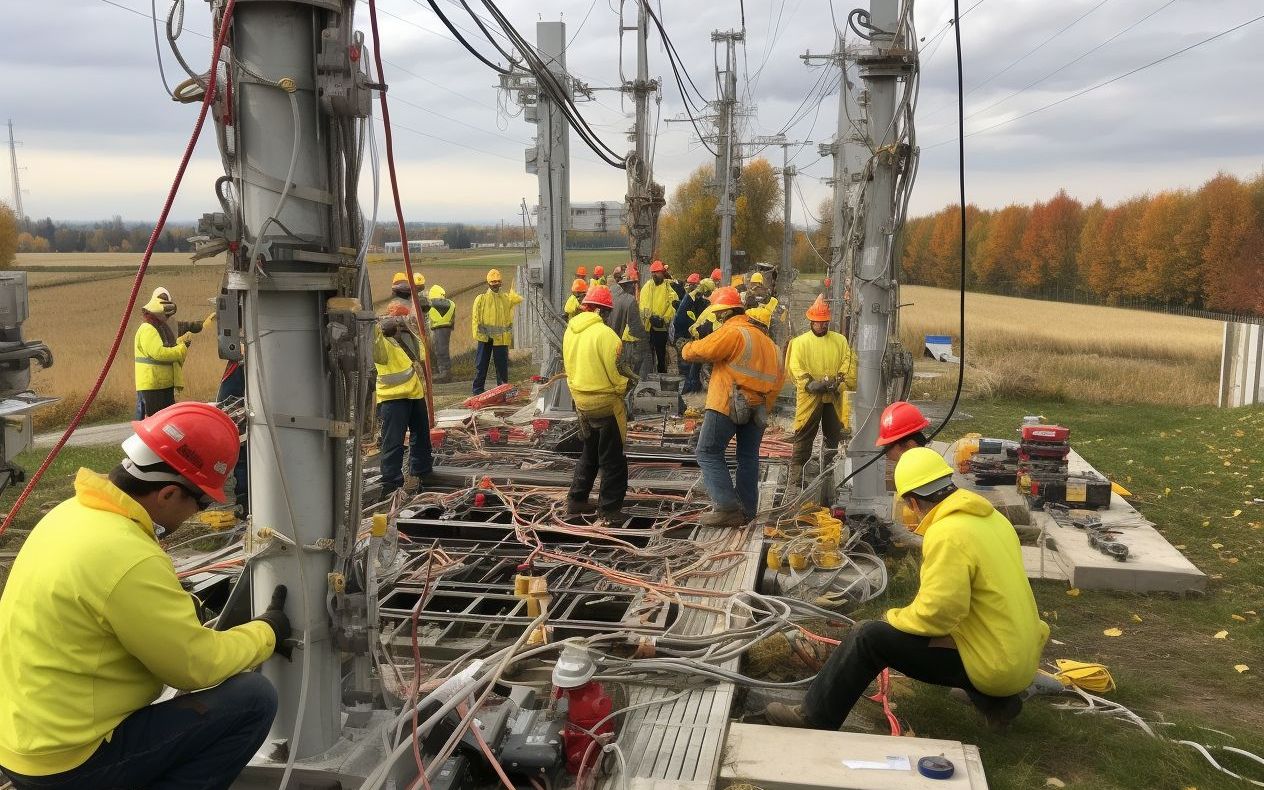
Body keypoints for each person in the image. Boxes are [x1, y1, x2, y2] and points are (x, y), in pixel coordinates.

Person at [0, 403, 289, 789]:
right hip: (69, 763)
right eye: (201, 502)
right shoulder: (130, 558)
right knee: (253, 699)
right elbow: (195, 667)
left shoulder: (70, 513)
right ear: (169, 493)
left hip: (20, 743)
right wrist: (266, 632)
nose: (197, 513)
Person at [765, 448, 1049, 731]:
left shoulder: (948, 532)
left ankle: (814, 718)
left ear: (912, 501)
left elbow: (938, 614)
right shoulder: (993, 520)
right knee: (962, 628)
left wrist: (893, 620)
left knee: (869, 637)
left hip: (997, 666)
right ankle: (1000, 703)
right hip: (1020, 655)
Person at [681, 287, 784, 526]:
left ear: (725, 312)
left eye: (718, 315)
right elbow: (777, 384)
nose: (717, 319)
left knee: (707, 451)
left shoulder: (734, 332)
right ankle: (747, 509)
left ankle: (727, 507)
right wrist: (762, 407)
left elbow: (702, 350)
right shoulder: (773, 347)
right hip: (758, 408)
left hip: (726, 401)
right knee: (748, 457)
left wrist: (687, 346)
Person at [562, 285, 631, 523]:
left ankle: (577, 499)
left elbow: (568, 369)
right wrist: (625, 386)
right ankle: (610, 510)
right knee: (613, 460)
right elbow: (617, 374)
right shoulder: (606, 335)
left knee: (589, 451)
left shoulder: (570, 331)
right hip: (605, 402)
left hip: (581, 401)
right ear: (602, 311)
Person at [785, 295, 858, 488]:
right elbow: (795, 366)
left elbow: (849, 362)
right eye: (819, 323)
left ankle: (830, 476)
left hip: (834, 396)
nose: (822, 326)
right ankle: (796, 477)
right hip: (810, 398)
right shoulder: (800, 342)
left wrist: (840, 379)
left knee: (835, 437)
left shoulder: (840, 341)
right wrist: (809, 383)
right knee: (803, 436)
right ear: (811, 321)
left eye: (825, 323)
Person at [134, 290, 194, 418]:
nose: (166, 317)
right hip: (152, 386)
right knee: (157, 422)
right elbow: (159, 353)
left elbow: (166, 347)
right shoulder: (148, 329)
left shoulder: (158, 327)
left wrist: (180, 342)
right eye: (164, 314)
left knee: (167, 421)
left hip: (161, 384)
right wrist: (181, 349)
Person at [471, 268, 523, 394]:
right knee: (481, 366)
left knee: (501, 367)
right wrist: (479, 335)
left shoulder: (505, 298)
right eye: (493, 282)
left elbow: (517, 299)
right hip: (485, 338)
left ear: (501, 283)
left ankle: (503, 390)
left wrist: (515, 293)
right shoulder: (481, 299)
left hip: (501, 339)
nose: (495, 285)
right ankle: (478, 391)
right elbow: (475, 319)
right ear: (488, 283)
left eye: (498, 282)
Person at [215, 357, 249, 514]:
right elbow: (227, 403)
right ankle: (244, 503)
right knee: (243, 461)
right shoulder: (240, 362)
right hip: (243, 428)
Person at [639, 260, 678, 374]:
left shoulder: (668, 287)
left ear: (662, 273)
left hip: (661, 327)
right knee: (648, 353)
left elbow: (673, 304)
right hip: (648, 327)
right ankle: (649, 373)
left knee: (661, 354)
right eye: (653, 272)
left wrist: (664, 319)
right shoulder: (647, 287)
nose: (654, 275)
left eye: (657, 272)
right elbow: (643, 305)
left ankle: (662, 373)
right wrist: (649, 318)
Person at [606, 269, 646, 376]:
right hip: (624, 344)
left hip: (608, 341)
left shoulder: (610, 294)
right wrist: (645, 336)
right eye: (633, 284)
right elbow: (635, 329)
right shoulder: (630, 300)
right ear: (629, 285)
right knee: (629, 374)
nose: (634, 287)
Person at [673, 274, 707, 394]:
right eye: (689, 285)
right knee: (686, 367)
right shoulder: (686, 298)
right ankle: (688, 390)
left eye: (693, 286)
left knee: (694, 367)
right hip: (684, 338)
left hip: (694, 338)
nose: (690, 288)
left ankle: (691, 389)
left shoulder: (701, 302)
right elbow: (679, 321)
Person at [427, 283, 456, 383]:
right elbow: (453, 319)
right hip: (447, 328)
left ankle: (444, 374)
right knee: (443, 350)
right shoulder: (451, 303)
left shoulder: (430, 303)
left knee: (439, 351)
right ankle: (445, 372)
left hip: (437, 328)